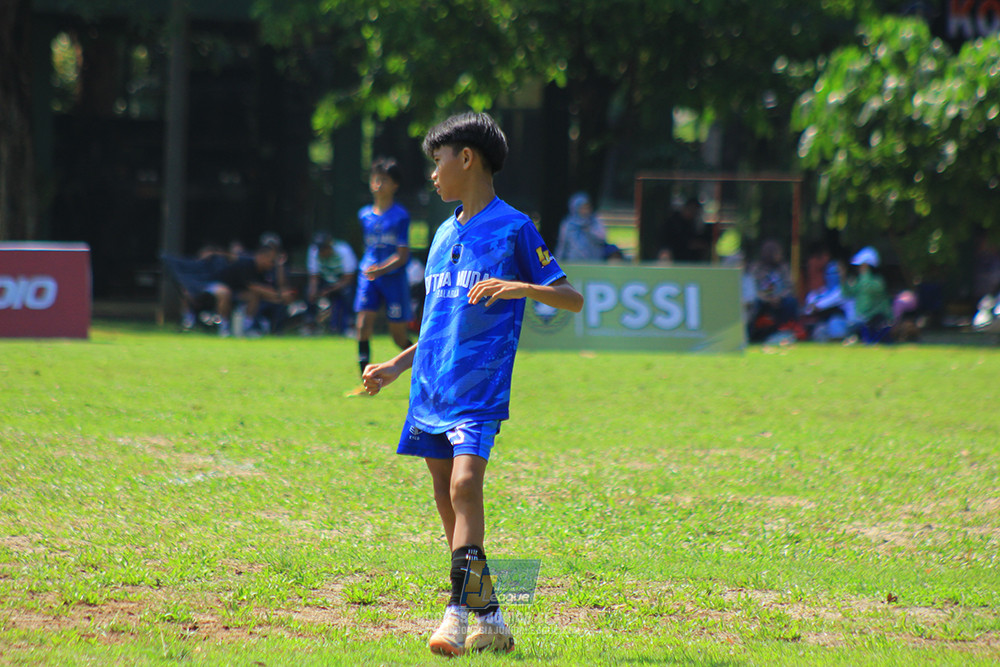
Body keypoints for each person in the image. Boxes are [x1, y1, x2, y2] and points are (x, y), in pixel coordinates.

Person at [360, 112, 583, 656]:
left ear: (467, 158)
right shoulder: (439, 233)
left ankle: (456, 613)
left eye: (437, 162)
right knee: (443, 493)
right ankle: (491, 616)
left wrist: (520, 287)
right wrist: (396, 367)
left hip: (478, 389)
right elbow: (438, 323)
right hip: (430, 387)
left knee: (464, 487)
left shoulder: (514, 227)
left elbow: (570, 298)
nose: (432, 175)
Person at [354, 158, 413, 375]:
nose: (378, 184)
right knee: (362, 325)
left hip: (393, 278)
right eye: (375, 179)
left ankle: (426, 365)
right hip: (368, 277)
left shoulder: (400, 216)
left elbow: (402, 255)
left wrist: (382, 269)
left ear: (395, 185)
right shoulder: (364, 215)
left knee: (398, 336)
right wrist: (371, 269)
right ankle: (364, 376)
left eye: (384, 180)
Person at [304, 232, 358, 335]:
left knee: (349, 292)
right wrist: (313, 291)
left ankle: (351, 325)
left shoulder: (343, 250)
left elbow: (349, 278)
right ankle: (310, 325)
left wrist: (329, 290)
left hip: (342, 282)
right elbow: (314, 276)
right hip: (324, 281)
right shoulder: (313, 251)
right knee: (308, 292)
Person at [747, 239, 799, 342]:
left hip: (780, 299)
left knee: (791, 302)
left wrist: (779, 297)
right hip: (763, 299)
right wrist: (766, 298)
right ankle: (754, 331)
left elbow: (790, 286)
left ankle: (784, 329)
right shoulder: (757, 268)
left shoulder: (784, 268)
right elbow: (753, 287)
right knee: (755, 304)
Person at [841, 246, 893, 343]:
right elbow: (847, 293)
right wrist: (843, 278)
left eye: (862, 266)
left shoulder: (878, 282)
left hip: (877, 320)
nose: (859, 268)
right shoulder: (860, 281)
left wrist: (865, 273)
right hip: (863, 321)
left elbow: (868, 292)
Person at [555, 191, 606, 262]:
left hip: (593, 262)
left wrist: (590, 231)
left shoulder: (595, 221)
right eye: (582, 208)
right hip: (573, 261)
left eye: (587, 207)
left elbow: (602, 238)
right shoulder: (568, 224)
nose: (585, 211)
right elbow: (562, 244)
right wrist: (558, 260)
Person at [658, 196, 710, 263]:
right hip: (674, 258)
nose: (693, 214)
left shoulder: (690, 224)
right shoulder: (674, 222)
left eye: (695, 212)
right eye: (692, 210)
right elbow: (676, 241)